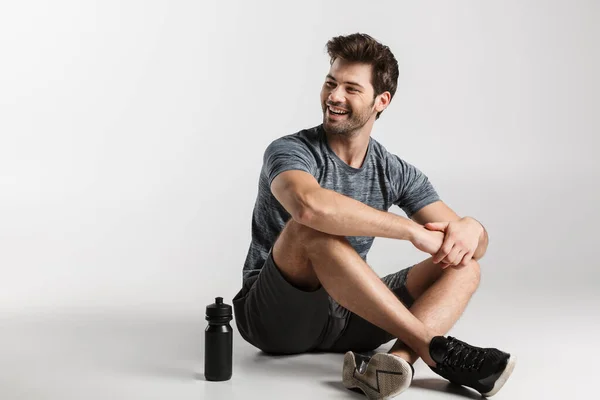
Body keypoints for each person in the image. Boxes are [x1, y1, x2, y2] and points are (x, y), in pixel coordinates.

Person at [232, 33, 515, 399]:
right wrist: (411, 232)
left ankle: (392, 364)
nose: (334, 96)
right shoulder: (291, 151)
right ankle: (433, 349)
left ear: (382, 101)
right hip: (276, 318)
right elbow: (309, 206)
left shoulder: (393, 169)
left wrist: (472, 227)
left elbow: (469, 246)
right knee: (308, 228)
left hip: (347, 316)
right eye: (331, 83)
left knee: (464, 265)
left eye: (351, 88)